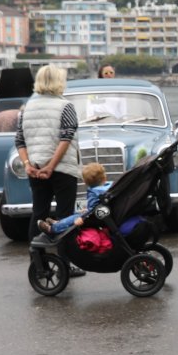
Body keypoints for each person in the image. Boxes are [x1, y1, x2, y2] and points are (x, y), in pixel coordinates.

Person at [15, 65, 83, 241]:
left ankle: (36, 253)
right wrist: (51, 166)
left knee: (39, 212)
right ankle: (64, 254)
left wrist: (27, 165)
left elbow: (20, 140)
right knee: (65, 215)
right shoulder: (66, 106)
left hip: (36, 169)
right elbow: (66, 138)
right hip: (63, 169)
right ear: (59, 82)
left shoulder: (26, 108)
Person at [38, 162, 110, 236]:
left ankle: (53, 228)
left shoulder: (93, 192)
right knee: (77, 211)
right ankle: (60, 223)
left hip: (95, 217)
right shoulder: (110, 186)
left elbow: (92, 210)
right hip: (104, 212)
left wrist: (85, 214)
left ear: (85, 183)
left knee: (74, 217)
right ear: (105, 177)